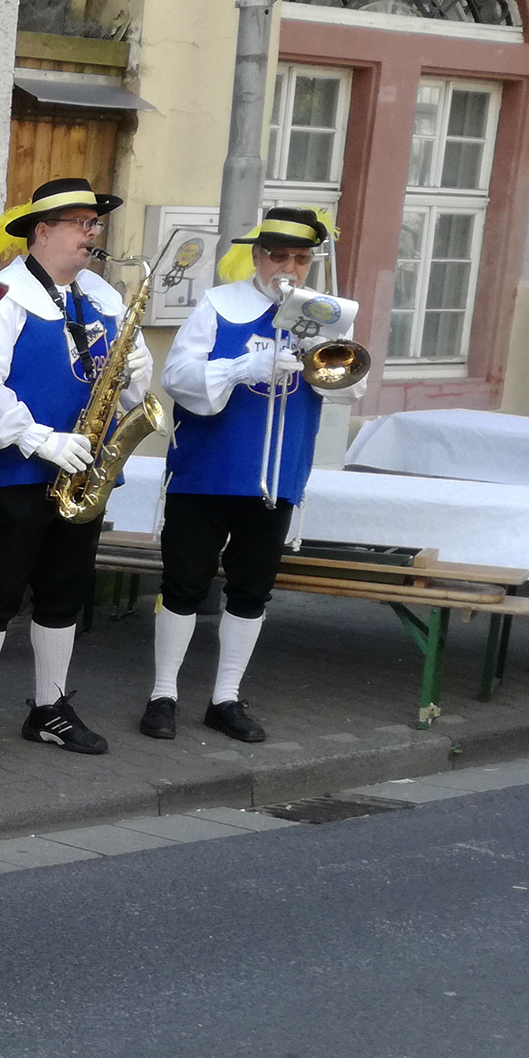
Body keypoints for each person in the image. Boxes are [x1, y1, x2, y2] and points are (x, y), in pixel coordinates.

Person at [0, 176, 154, 763]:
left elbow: (123, 390)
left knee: (64, 595)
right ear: (43, 231)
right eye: (82, 225)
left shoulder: (105, 297)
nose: (94, 234)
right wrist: (40, 440)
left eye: (96, 224)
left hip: (85, 471)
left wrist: (138, 369)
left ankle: (50, 708)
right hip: (15, 471)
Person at [147, 208, 354, 743]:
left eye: (301, 258)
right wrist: (243, 368)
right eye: (279, 255)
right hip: (208, 471)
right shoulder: (220, 304)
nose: (289, 267)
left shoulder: (326, 315)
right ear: (259, 256)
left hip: (277, 475)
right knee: (183, 585)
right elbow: (178, 378)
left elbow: (349, 387)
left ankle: (226, 698)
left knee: (251, 591)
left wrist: (314, 356)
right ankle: (163, 693)